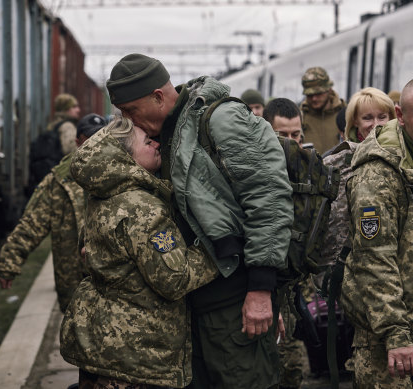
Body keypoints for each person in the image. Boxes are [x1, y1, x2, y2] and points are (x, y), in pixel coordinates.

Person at [106, 53, 293, 389]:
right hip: (194, 304)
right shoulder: (167, 132)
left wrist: (261, 289)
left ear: (158, 97)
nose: (129, 121)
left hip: (236, 302)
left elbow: (268, 198)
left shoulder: (221, 120)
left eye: (132, 111)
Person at [61, 116, 219, 388]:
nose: (157, 143)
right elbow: (175, 279)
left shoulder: (103, 197)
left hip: (104, 341)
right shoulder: (142, 208)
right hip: (137, 353)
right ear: (125, 158)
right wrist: (214, 254)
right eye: (147, 141)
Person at [340, 79, 413, 388]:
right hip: (386, 329)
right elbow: (374, 260)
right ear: (400, 114)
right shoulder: (377, 173)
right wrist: (397, 333)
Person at [0, 113, 106, 313]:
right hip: (73, 283)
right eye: (89, 139)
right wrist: (9, 262)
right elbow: (32, 222)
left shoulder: (121, 174)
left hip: (111, 281)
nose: (96, 144)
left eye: (101, 137)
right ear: (78, 142)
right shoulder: (60, 181)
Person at [321, 87, 396, 274]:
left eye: (382, 117)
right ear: (355, 122)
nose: (376, 124)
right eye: (367, 118)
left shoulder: (404, 159)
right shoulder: (336, 163)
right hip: (350, 272)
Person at [263, 97, 308, 389]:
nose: (290, 142)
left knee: (293, 370)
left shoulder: (309, 171)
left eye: (296, 135)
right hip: (262, 293)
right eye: (282, 136)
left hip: (295, 292)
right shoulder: (254, 174)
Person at [27, 93, 82, 195]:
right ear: (65, 109)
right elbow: (71, 153)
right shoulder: (67, 126)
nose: (78, 110)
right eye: (74, 107)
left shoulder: (52, 125)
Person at [299, 67, 346, 154]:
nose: (314, 98)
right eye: (309, 95)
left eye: (318, 93)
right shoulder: (300, 117)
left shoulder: (345, 114)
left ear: (329, 90)